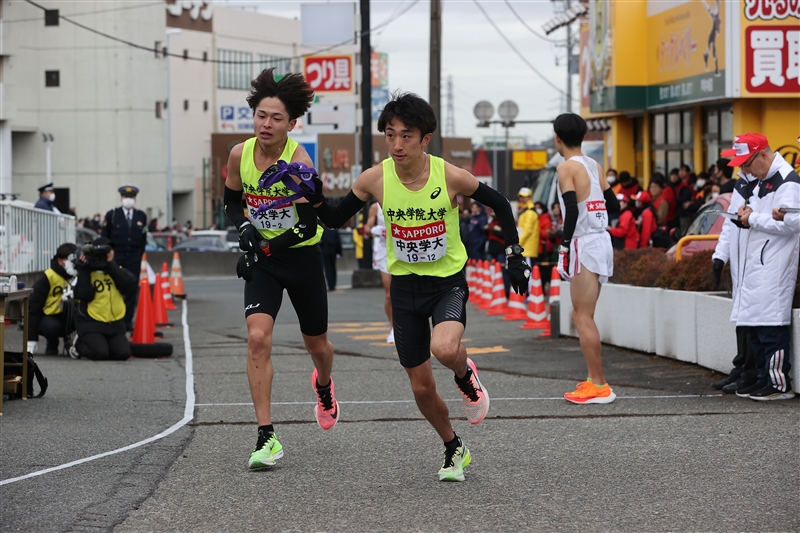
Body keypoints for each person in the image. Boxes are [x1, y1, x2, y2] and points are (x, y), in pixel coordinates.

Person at [305, 92, 530, 482]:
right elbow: (335, 218)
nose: (396, 145)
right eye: (390, 135)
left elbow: (501, 203)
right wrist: (310, 193)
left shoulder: (449, 175)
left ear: (425, 138)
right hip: (405, 288)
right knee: (421, 387)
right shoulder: (375, 178)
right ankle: (452, 446)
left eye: (406, 136)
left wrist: (513, 253)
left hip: (446, 284)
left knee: (444, 348)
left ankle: (464, 374)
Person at [222, 67, 338, 470]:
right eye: (260, 115)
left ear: (292, 123)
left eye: (276, 118)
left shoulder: (299, 161)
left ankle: (323, 385)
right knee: (257, 339)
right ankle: (266, 435)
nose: (266, 124)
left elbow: (309, 224)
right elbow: (232, 201)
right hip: (265, 260)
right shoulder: (240, 154)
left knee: (317, 347)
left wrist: (264, 244)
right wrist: (243, 231)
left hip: (300, 257)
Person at [554, 112, 620, 404]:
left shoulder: (565, 167)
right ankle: (595, 380)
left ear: (558, 138)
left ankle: (600, 385)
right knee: (582, 315)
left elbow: (570, 210)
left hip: (583, 242)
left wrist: (565, 246)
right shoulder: (594, 164)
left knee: (582, 317)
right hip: (602, 239)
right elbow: (614, 203)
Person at [727, 133, 798, 400]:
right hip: (756, 263)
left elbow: (792, 224)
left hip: (773, 263)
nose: (744, 169)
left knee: (770, 326)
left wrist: (753, 219)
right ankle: (762, 378)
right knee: (756, 326)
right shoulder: (762, 181)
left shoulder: (787, 181)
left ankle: (779, 384)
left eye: (747, 163)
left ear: (764, 155)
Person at [73, 237, 136, 360]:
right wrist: (84, 269)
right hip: (92, 322)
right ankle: (78, 345)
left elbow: (128, 284)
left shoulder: (116, 271)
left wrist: (109, 265)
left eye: (111, 249)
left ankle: (106, 344)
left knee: (122, 353)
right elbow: (84, 295)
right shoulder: (87, 272)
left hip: (114, 324)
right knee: (100, 354)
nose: (109, 252)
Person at [28, 243, 78, 356]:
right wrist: (31, 338)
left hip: (70, 314)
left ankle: (75, 345)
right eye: (69, 259)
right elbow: (33, 306)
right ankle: (52, 343)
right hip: (49, 315)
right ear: (60, 261)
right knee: (52, 327)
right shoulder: (48, 276)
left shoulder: (77, 275)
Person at [365, 201, 394, 343]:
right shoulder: (375, 207)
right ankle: (393, 328)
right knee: (389, 294)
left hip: (405, 247)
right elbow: (368, 227)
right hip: (384, 250)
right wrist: (371, 229)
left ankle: (409, 328)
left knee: (407, 292)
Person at [516, 187, 540, 268]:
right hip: (525, 249)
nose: (522, 199)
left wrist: (517, 243)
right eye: (520, 196)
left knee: (528, 274)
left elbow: (527, 231)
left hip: (527, 249)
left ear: (530, 197)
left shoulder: (530, 212)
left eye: (524, 196)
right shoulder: (526, 211)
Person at [319, 224, 342, 291]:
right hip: (333, 250)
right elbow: (338, 242)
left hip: (325, 249)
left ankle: (330, 285)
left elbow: (320, 240)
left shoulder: (323, 230)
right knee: (333, 267)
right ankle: (333, 284)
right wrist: (339, 252)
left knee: (327, 268)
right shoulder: (335, 231)